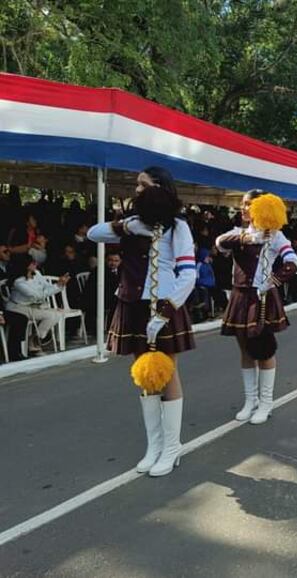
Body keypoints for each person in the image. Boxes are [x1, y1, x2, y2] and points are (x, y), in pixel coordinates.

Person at [87, 167, 197, 477]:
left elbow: (188, 274)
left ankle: (172, 447)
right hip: (132, 304)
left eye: (142, 185)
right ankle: (155, 444)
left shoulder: (178, 227)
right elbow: (94, 234)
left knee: (166, 371)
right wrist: (126, 226)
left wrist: (166, 310)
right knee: (144, 373)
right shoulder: (131, 225)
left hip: (162, 304)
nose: (136, 190)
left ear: (159, 189)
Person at [216, 192, 297, 424]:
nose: (244, 208)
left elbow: (294, 263)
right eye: (242, 204)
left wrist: (271, 281)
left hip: (262, 297)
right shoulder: (237, 234)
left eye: (249, 204)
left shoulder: (275, 236)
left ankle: (266, 402)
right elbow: (220, 243)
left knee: (264, 351)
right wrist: (247, 239)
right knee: (244, 350)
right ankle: (250, 400)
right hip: (239, 295)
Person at [5, 253, 67, 349]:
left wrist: (60, 283)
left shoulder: (37, 273)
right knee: (50, 316)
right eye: (32, 262)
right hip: (18, 308)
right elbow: (36, 295)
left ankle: (36, 339)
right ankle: (36, 341)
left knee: (57, 314)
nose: (35, 264)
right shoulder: (18, 282)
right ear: (24, 265)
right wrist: (57, 286)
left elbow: (47, 287)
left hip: (34, 305)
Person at [82, 251, 121, 335]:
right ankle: (111, 328)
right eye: (110, 260)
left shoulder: (122, 270)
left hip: (110, 296)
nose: (113, 263)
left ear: (120, 261)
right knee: (119, 302)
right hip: (96, 298)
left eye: (116, 260)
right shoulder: (99, 270)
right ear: (106, 260)